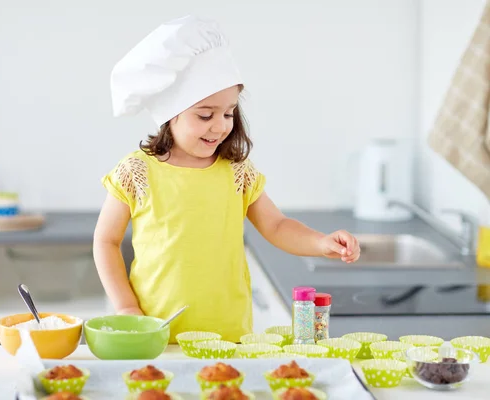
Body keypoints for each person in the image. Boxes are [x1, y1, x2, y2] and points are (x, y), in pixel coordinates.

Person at [94, 15, 361, 343]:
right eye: (205, 115)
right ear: (169, 114)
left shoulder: (237, 172)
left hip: (229, 338)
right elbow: (105, 242)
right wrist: (125, 307)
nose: (220, 126)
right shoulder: (136, 173)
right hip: (157, 337)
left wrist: (320, 243)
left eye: (228, 113)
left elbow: (276, 226)